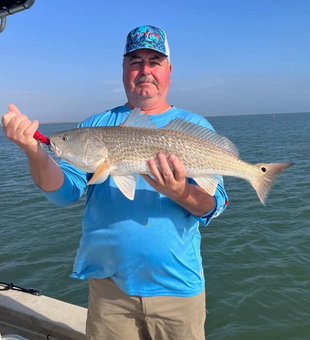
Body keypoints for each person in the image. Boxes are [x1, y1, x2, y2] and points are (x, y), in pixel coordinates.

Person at [2, 25, 228, 340]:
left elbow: (213, 206)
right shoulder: (93, 127)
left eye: (154, 61)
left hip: (179, 290)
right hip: (110, 292)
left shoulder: (193, 127)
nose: (145, 70)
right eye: (135, 61)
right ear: (123, 69)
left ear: (169, 71)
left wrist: (181, 192)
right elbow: (64, 193)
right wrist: (35, 153)